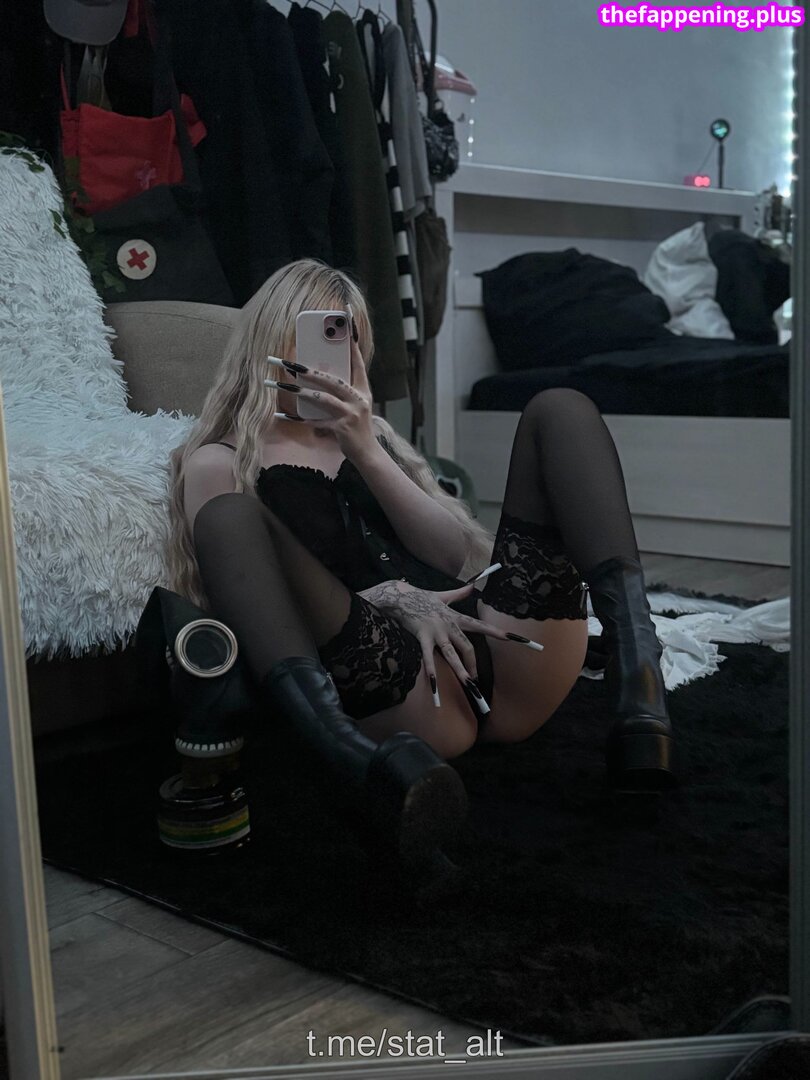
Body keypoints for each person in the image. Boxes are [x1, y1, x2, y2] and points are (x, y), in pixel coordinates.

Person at [165, 259, 675, 872]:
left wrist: (366, 449)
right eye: (320, 333)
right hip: (401, 685)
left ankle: (640, 679)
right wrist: (388, 597)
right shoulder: (221, 462)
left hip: (506, 653)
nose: (336, 355)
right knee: (227, 517)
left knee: (560, 408)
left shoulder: (371, 435)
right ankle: (351, 760)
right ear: (271, 342)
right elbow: (251, 608)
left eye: (349, 337)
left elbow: (457, 557)